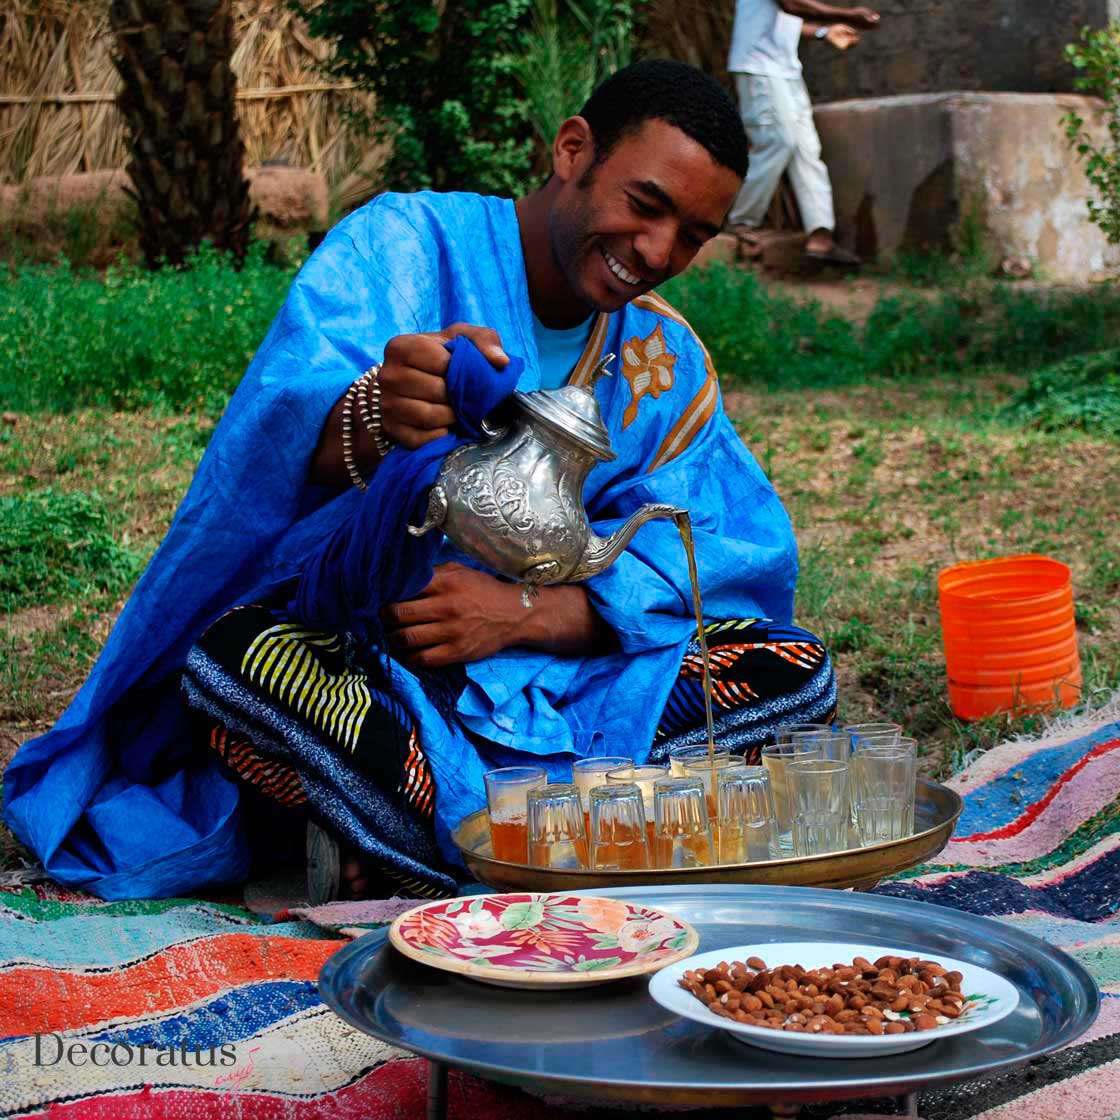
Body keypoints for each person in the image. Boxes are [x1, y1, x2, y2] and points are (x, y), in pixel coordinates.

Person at [3, 60, 836, 903]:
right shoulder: (404, 246)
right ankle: (575, 828)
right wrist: (377, 414)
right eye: (645, 205)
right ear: (573, 150)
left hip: (566, 681)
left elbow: (722, 556)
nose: (657, 252)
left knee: (793, 670)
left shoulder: (665, 361)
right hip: (375, 664)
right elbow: (272, 447)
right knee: (236, 667)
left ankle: (405, 835)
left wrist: (524, 616)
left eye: (693, 235)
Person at [726, 0, 880, 264]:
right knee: (779, 141)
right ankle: (741, 221)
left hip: (785, 71)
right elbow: (792, 4)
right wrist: (849, 15)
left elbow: (784, 21)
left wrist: (823, 32)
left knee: (807, 149)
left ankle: (820, 234)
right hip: (758, 67)